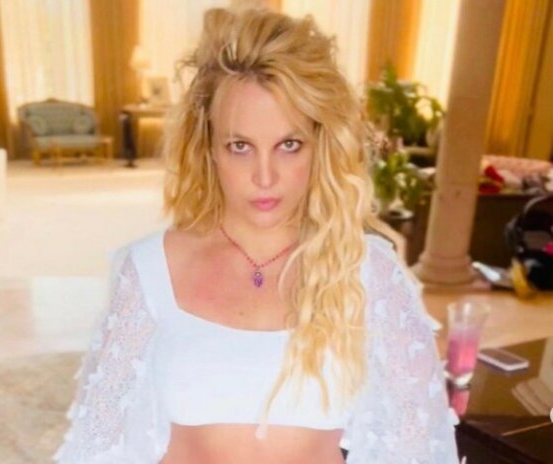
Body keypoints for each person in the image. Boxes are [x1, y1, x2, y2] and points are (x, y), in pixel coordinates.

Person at [54, 5, 461, 464]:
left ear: (320, 144)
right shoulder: (151, 269)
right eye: (240, 146)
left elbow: (415, 447)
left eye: (289, 145)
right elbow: (98, 444)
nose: (264, 177)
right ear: (209, 147)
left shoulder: (368, 272)